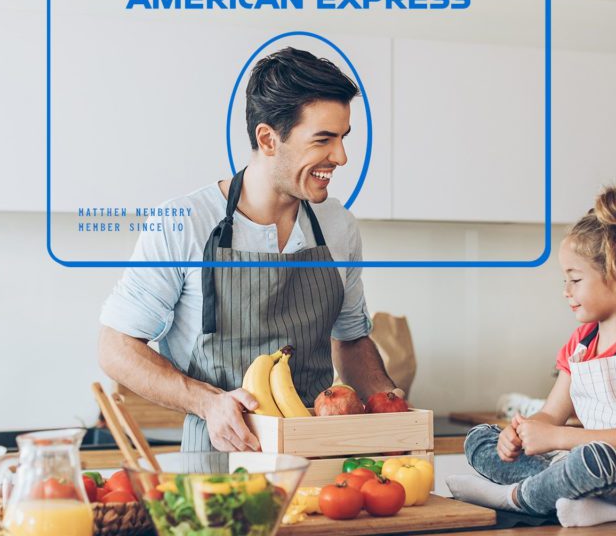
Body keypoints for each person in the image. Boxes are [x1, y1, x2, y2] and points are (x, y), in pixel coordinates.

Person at [97, 47, 401, 452]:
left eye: (343, 138)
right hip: (219, 466)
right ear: (268, 139)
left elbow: (350, 340)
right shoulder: (184, 224)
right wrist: (205, 401)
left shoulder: (338, 225)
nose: (341, 157)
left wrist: (390, 408)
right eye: (323, 140)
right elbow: (115, 347)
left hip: (319, 464)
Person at [447, 173, 616, 528]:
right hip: (588, 463)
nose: (566, 290)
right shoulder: (581, 343)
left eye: (576, 279)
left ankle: (516, 497)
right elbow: (552, 414)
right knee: (480, 440)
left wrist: (560, 438)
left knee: (593, 459)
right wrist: (519, 433)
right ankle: (583, 501)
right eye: (564, 279)